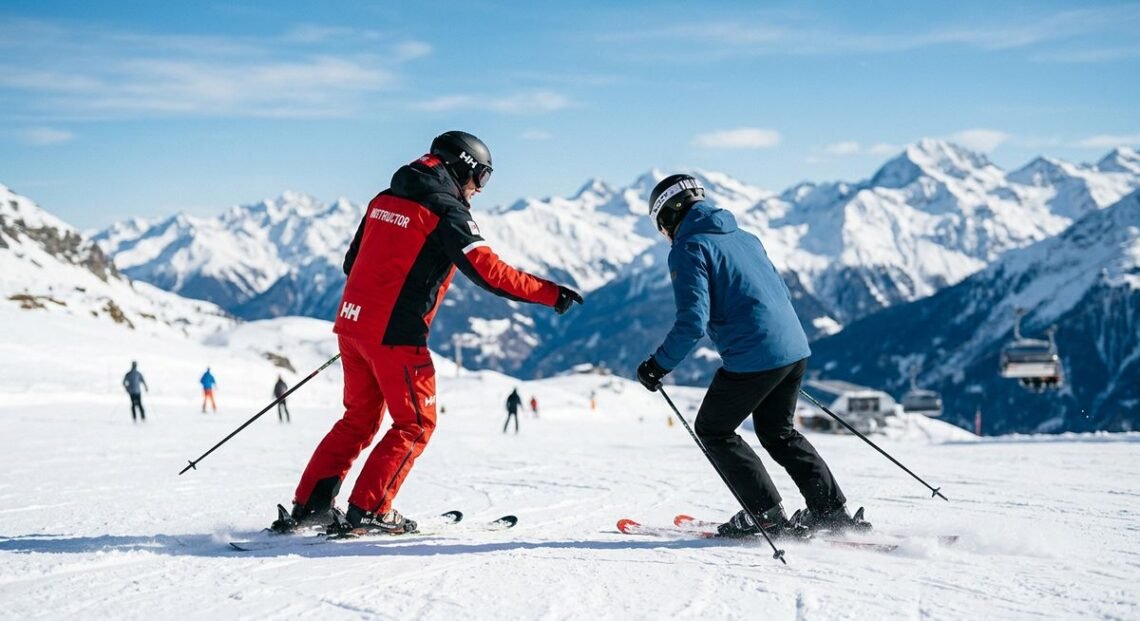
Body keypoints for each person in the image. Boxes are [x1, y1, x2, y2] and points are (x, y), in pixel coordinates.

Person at [277, 130, 583, 536]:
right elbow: (489, 272)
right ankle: (371, 508)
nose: (479, 189)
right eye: (482, 177)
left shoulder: (383, 199)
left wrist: (371, 311)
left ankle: (310, 506)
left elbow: (352, 263)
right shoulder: (445, 210)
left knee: (358, 420)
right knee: (416, 423)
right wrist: (550, 294)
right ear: (463, 168)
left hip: (352, 327)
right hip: (396, 335)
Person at [635, 174, 869, 539]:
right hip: (793, 348)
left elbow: (692, 323)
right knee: (778, 432)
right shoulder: (745, 237)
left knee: (713, 429)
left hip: (755, 356)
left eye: (660, 226)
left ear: (668, 215)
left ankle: (766, 514)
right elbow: (780, 293)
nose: (664, 234)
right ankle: (830, 511)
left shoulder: (689, 247)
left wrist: (657, 366)